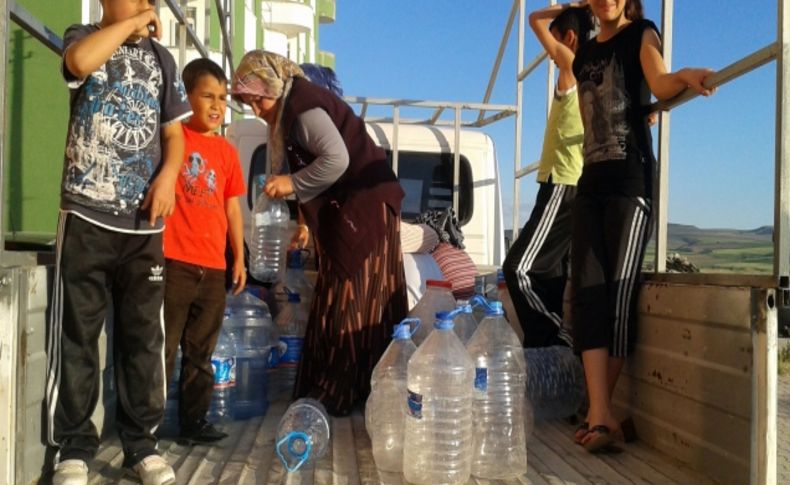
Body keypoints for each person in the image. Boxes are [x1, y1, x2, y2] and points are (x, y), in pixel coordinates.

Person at [45, 1, 192, 484]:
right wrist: (129, 24)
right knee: (79, 337)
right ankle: (73, 447)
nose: (144, 2)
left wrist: (169, 175)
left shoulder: (163, 60)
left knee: (142, 340)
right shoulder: (82, 34)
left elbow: (175, 136)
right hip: (87, 216)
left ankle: (141, 446)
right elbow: (79, 64)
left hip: (144, 229)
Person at [570, 0, 714, 452]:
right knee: (588, 295)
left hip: (631, 186)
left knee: (617, 294)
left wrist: (684, 76)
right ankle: (602, 415)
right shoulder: (583, 56)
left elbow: (658, 80)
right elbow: (590, 122)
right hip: (589, 185)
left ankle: (600, 415)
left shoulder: (643, 33)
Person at [230, 51, 408, 416]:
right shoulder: (289, 109)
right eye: (248, 103)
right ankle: (345, 389)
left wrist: (291, 183)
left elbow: (336, 160)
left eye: (258, 99)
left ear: (274, 85)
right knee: (338, 295)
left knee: (353, 297)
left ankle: (344, 390)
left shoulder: (303, 107)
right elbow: (317, 167)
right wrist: (306, 223)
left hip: (366, 207)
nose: (256, 110)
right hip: (352, 207)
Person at [162, 58, 246, 446]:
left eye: (223, 99)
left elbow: (232, 208)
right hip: (173, 261)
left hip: (213, 268)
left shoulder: (228, 153)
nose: (216, 106)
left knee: (200, 353)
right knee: (162, 348)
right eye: (207, 96)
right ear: (186, 97)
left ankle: (193, 425)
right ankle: (147, 428)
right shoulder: (173, 137)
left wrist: (239, 258)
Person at [502, 3, 592, 349]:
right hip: (562, 184)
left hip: (563, 183)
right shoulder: (591, 75)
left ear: (569, 38)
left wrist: (574, 6)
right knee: (550, 274)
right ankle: (548, 355)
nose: (551, 56)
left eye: (555, 45)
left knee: (518, 269)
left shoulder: (572, 65)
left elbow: (534, 19)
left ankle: (558, 332)